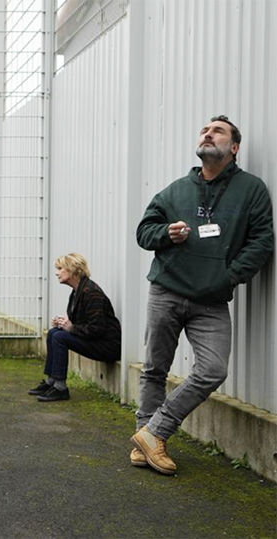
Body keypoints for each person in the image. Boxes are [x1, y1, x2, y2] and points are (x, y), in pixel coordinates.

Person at [132, 115, 273, 475]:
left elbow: (262, 242)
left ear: (234, 147)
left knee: (212, 369)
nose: (208, 134)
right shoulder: (176, 190)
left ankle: (154, 431)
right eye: (205, 130)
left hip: (211, 300)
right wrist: (166, 233)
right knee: (154, 370)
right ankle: (144, 440)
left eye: (218, 131)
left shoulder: (251, 189)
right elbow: (144, 231)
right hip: (166, 289)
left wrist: (227, 277)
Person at [29, 253, 122, 402]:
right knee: (54, 332)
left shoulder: (92, 292)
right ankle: (52, 381)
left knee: (59, 337)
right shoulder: (77, 291)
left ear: (73, 270)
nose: (56, 272)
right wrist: (62, 324)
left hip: (108, 346)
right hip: (97, 341)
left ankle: (60, 388)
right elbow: (79, 323)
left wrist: (70, 328)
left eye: (60, 268)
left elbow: (97, 328)